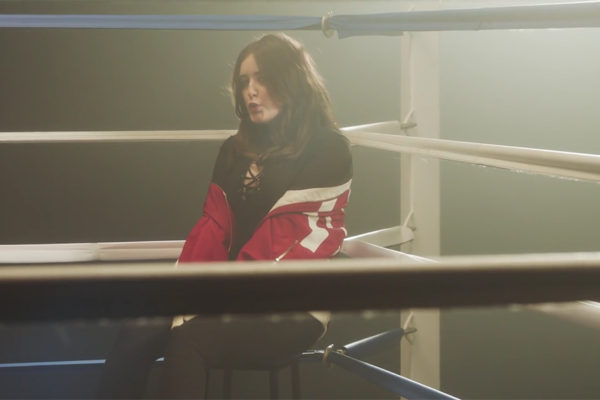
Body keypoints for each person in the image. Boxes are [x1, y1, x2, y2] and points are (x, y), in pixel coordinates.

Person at [99, 33, 352, 399]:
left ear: (291, 80)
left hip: (292, 303)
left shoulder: (328, 149)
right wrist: (185, 296)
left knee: (188, 340)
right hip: (224, 291)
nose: (251, 91)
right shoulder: (234, 150)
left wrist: (205, 304)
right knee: (138, 329)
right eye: (244, 81)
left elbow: (286, 239)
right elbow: (212, 230)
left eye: (262, 78)